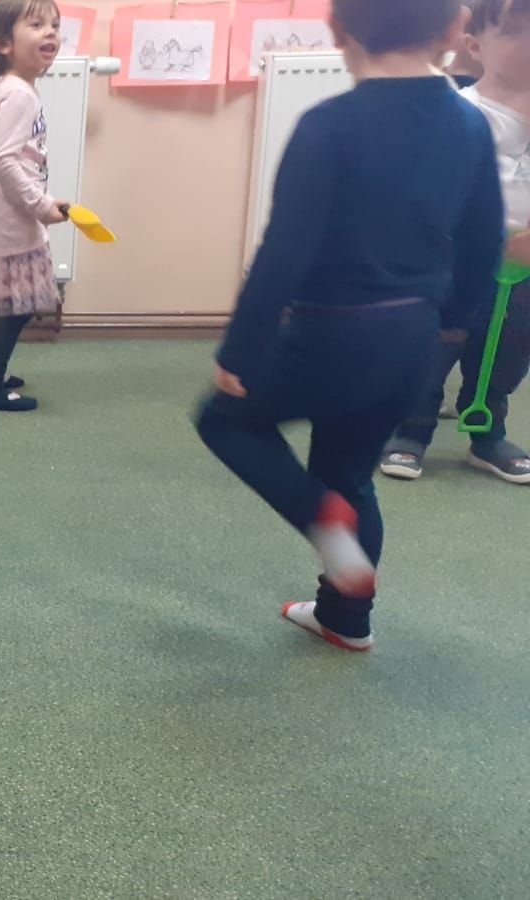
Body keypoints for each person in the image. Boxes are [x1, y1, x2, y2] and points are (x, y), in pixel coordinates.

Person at [194, 0, 503, 652]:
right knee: (350, 471)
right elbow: (484, 242)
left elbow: (284, 252)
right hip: (412, 340)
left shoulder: (329, 125)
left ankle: (320, 518)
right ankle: (345, 618)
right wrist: (451, 324)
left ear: (336, 29)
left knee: (223, 420)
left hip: (328, 335)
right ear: (455, 30)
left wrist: (238, 352)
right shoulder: (470, 125)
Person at [383, 0, 530, 485]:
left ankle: (487, 433)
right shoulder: (460, 113)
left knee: (508, 351)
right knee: (435, 347)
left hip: (524, 270)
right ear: (474, 45)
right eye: (515, 32)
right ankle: (411, 430)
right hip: (457, 262)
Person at [0, 0, 69, 412]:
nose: (51, 32)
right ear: (4, 43)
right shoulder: (19, 95)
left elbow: (15, 159)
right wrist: (40, 205)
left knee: (7, 304)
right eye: (36, 24)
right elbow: (4, 160)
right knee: (18, 308)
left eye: (55, 25)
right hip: (9, 220)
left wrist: (43, 201)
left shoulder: (12, 88)